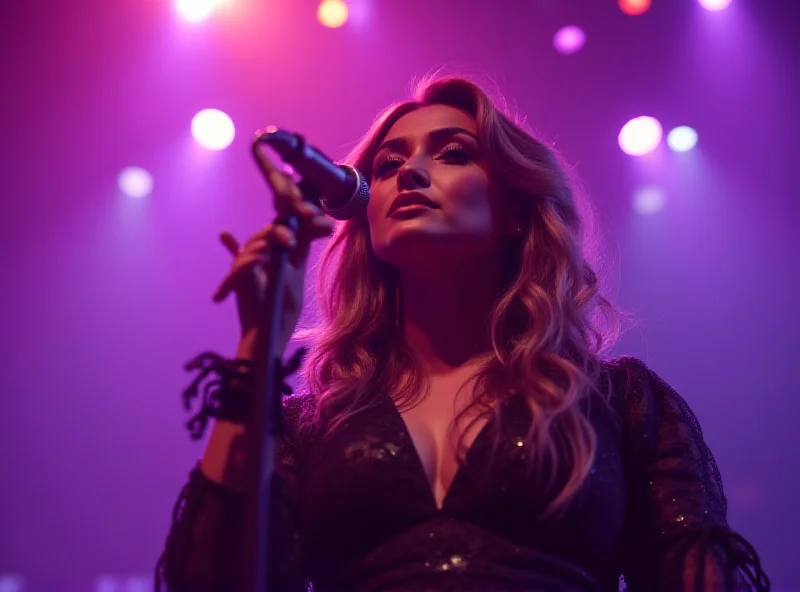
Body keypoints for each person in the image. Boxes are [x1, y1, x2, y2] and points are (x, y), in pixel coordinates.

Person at [154, 76, 769, 591]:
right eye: (388, 165)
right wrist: (254, 351)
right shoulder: (313, 423)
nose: (409, 174)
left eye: (451, 153)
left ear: (517, 213)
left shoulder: (619, 401)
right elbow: (207, 580)